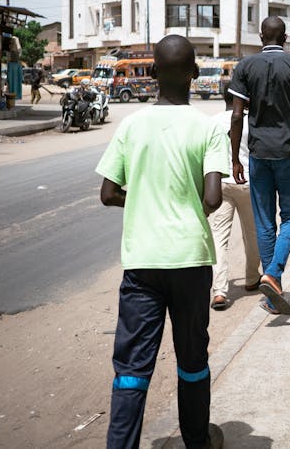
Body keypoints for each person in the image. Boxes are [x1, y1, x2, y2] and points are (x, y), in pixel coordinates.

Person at [96, 34, 228, 449]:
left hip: (142, 262)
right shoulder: (208, 128)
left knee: (133, 367)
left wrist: (146, 202)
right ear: (194, 73)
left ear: (152, 74)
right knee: (192, 359)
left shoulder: (131, 125)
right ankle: (196, 440)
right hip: (190, 260)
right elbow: (212, 198)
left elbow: (108, 193)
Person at [228, 15, 290, 316]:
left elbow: (236, 116)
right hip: (288, 154)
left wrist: (234, 158)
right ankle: (273, 273)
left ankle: (272, 295)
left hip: (257, 155)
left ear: (260, 37)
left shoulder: (244, 67)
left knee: (265, 222)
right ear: (285, 37)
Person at [208, 85, 262, 311]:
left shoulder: (212, 122)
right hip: (249, 182)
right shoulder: (252, 121)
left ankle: (219, 291)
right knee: (252, 234)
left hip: (220, 184)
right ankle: (251, 278)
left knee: (219, 237)